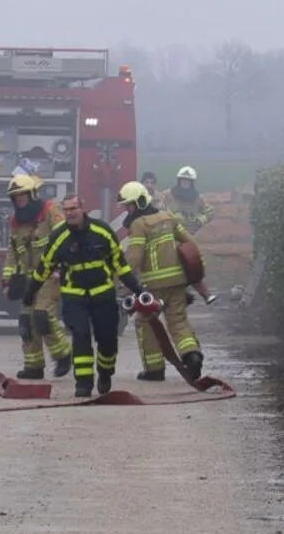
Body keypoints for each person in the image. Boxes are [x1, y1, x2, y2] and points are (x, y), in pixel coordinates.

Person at [27, 194, 148, 398]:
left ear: (82, 208)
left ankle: (105, 373)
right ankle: (83, 383)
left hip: (102, 294)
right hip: (74, 296)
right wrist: (31, 291)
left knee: (107, 339)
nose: (70, 213)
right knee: (81, 336)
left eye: (73, 209)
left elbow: (120, 264)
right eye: (66, 210)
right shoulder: (59, 237)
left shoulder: (102, 231)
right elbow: (44, 267)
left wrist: (137, 289)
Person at [116, 181, 204, 382]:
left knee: (146, 323)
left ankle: (154, 370)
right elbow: (190, 243)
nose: (127, 210)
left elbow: (134, 258)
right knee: (178, 321)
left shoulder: (139, 224)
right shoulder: (169, 217)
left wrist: (121, 277)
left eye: (129, 205)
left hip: (153, 286)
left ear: (139, 202)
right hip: (178, 282)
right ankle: (192, 355)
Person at [0, 173, 73, 380]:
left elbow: (64, 239)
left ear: (32, 194)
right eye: (16, 197)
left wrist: (61, 267)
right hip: (29, 280)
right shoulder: (16, 221)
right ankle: (33, 366)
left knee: (42, 315)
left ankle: (63, 355)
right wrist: (7, 280)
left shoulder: (50, 211)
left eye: (23, 196)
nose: (19, 200)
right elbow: (12, 252)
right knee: (25, 322)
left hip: (51, 276)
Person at [159, 165, 217, 303]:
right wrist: (174, 218)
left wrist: (200, 220)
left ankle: (203, 294)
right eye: (183, 180)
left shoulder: (197, 198)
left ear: (192, 183)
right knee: (171, 266)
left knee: (192, 265)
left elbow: (210, 210)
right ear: (178, 181)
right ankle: (175, 294)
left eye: (188, 181)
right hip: (170, 236)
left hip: (189, 237)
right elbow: (160, 212)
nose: (185, 183)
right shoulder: (168, 195)